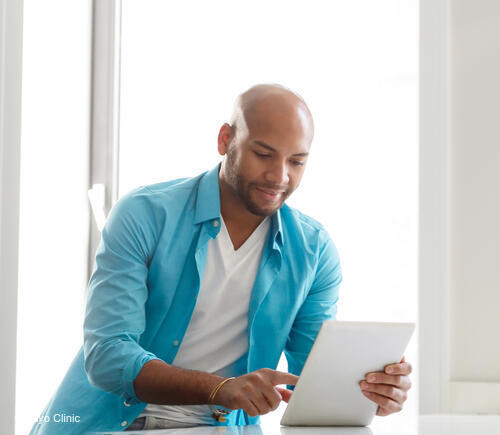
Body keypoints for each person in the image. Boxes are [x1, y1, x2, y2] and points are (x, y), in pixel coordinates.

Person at [30, 84, 412, 434]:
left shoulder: (313, 250)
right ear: (225, 139)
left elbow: (314, 379)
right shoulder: (145, 214)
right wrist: (220, 389)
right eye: (263, 154)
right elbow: (108, 355)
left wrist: (371, 392)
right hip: (112, 424)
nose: (279, 176)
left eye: (296, 162)